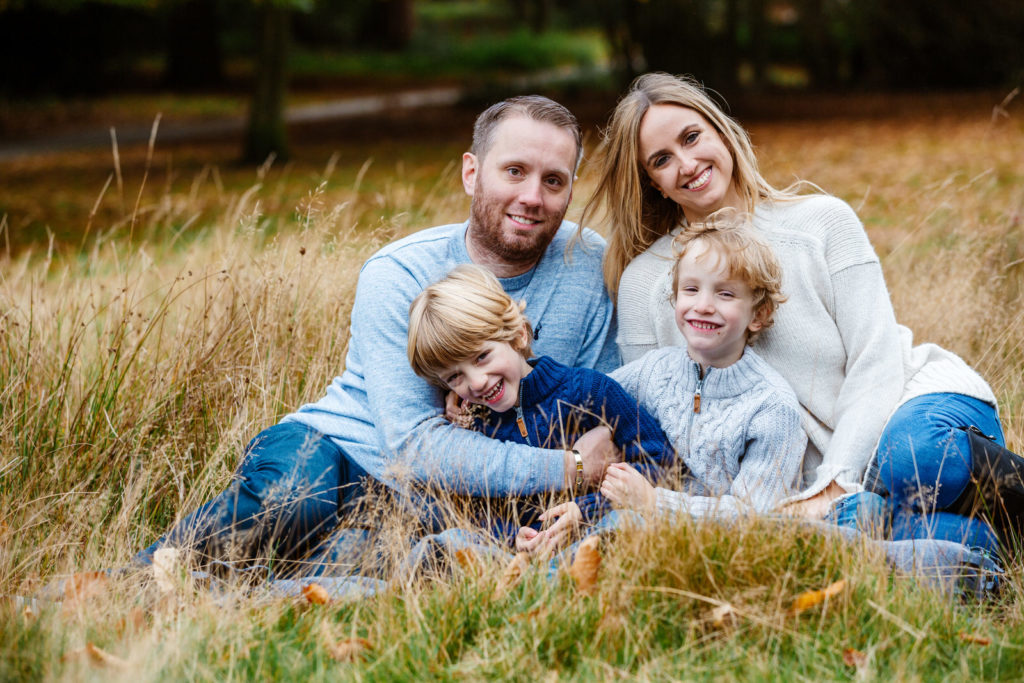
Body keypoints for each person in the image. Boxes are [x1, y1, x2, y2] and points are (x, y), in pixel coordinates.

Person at [134, 94, 624, 572]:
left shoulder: (589, 266)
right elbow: (415, 446)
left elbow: (602, 417)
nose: (532, 197)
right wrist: (569, 468)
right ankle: (134, 578)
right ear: (472, 173)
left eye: (553, 180)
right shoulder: (401, 271)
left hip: (452, 504)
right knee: (294, 507)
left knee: (362, 562)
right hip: (340, 451)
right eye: (514, 171)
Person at [582, 72, 1008, 555]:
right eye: (661, 160)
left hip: (907, 409)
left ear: (720, 131)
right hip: (803, 493)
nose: (687, 163)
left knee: (917, 462)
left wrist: (834, 485)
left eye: (692, 137)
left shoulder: (820, 221)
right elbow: (650, 419)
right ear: (651, 181)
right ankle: (989, 544)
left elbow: (877, 357)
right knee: (930, 535)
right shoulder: (644, 282)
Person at [406, 263, 677, 554]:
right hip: (530, 550)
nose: (477, 382)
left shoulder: (589, 391)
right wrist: (513, 536)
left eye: (482, 357)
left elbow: (660, 462)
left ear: (519, 335)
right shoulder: (479, 424)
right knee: (449, 540)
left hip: (595, 525)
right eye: (455, 377)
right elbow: (481, 509)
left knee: (622, 524)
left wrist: (587, 509)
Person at [600, 216, 806, 518]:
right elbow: (590, 398)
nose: (704, 305)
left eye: (725, 293)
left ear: (758, 314)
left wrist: (655, 503)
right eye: (691, 289)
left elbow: (752, 515)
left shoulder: (772, 408)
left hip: (715, 552)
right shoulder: (654, 370)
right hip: (630, 521)